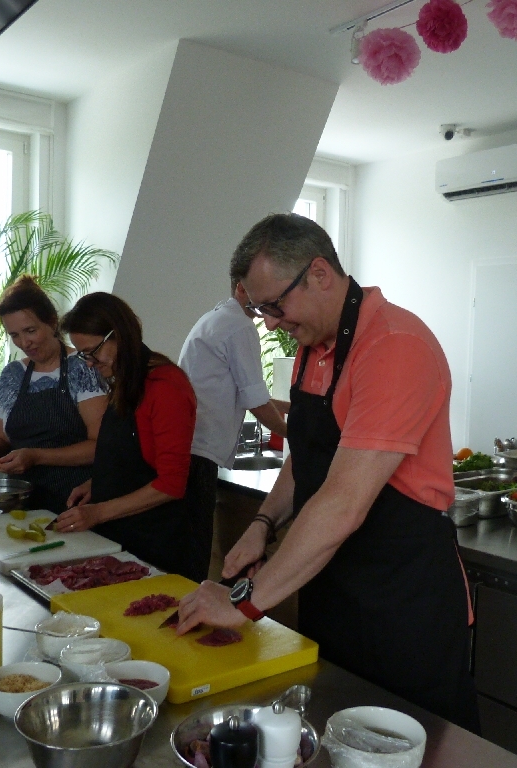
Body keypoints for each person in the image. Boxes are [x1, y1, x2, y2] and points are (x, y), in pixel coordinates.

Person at [175, 213, 480, 732]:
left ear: (318, 273)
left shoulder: (394, 345)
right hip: (332, 586)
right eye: (260, 310)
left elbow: (342, 502)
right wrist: (263, 523)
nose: (270, 323)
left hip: (402, 601)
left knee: (413, 748)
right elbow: (308, 455)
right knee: (333, 734)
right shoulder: (312, 347)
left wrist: (242, 602)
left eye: (274, 305)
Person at [53, 292, 204, 581]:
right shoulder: (125, 380)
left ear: (118, 335)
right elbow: (131, 457)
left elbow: (171, 485)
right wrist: (98, 482)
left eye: (92, 351)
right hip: (120, 538)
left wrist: (98, 513)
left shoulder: (166, 386)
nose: (89, 363)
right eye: (83, 354)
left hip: (155, 543)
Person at [178, 280, 289, 581]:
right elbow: (255, 401)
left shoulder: (216, 318)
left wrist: (293, 407)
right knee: (195, 553)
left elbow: (244, 392)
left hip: (189, 446)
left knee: (188, 548)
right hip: (200, 452)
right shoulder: (239, 326)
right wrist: (295, 434)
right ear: (241, 288)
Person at [0, 276, 107, 513]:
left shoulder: (84, 367)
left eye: (30, 331)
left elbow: (100, 446)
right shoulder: (13, 374)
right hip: (20, 503)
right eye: (14, 335)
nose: (24, 342)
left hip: (75, 502)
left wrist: (36, 456)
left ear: (52, 322)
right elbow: (0, 437)